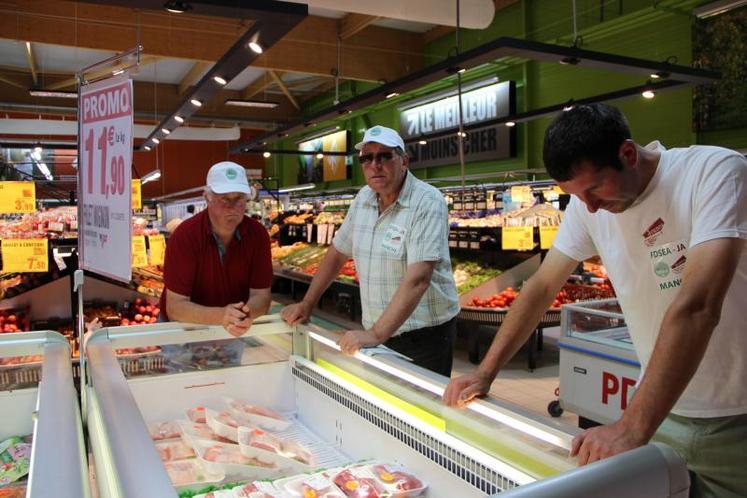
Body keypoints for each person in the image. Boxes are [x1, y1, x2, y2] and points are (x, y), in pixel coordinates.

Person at [443, 103, 746, 497]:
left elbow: (698, 306)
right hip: (657, 404)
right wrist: (486, 372)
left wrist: (629, 428)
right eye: (575, 196)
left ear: (628, 154)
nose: (589, 207)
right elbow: (541, 287)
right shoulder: (589, 207)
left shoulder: (714, 173)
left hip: (735, 416)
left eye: (594, 189)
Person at [281, 125, 460, 376]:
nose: (375, 164)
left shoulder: (426, 202)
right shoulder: (363, 198)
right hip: (377, 330)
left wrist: (376, 334)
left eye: (384, 156)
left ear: (404, 161)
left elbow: (419, 279)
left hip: (423, 334)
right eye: (367, 158)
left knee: (419, 411)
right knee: (382, 407)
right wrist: (308, 302)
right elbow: (337, 253)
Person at [160, 161, 273, 336]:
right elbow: (175, 307)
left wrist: (245, 316)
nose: (233, 207)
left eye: (239, 199)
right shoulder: (185, 236)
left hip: (231, 331)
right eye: (224, 199)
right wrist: (222, 316)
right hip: (183, 332)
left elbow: (261, 295)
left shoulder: (258, 235)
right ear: (207, 198)